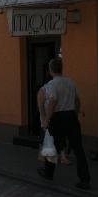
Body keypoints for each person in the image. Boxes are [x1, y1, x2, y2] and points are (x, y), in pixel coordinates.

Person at [37, 57, 91, 189]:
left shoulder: (52, 85)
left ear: (50, 70)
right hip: (71, 116)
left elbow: (52, 102)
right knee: (78, 149)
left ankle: (49, 173)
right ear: (61, 69)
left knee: (51, 145)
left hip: (57, 118)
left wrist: (46, 119)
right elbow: (77, 100)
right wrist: (75, 113)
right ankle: (84, 179)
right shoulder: (71, 82)